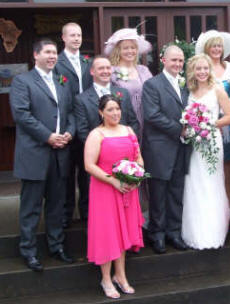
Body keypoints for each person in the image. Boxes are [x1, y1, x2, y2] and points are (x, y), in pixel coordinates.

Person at [9, 39, 75, 271]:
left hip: (60, 154)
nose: (52, 56)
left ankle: (56, 247)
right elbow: (22, 115)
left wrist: (68, 133)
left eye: (54, 53)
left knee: (56, 205)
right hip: (35, 153)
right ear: (35, 55)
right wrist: (48, 136)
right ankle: (28, 250)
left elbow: (70, 113)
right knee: (31, 206)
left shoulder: (62, 83)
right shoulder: (22, 81)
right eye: (47, 52)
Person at [84, 94, 144, 299]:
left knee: (123, 231)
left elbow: (138, 156)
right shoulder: (96, 134)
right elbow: (89, 165)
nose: (115, 113)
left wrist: (137, 175)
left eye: (117, 109)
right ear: (101, 112)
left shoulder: (129, 130)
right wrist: (113, 181)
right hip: (105, 189)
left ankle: (121, 275)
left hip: (127, 189)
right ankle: (106, 279)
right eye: (110, 109)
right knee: (108, 233)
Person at [181, 53, 230, 249]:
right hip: (194, 144)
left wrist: (209, 123)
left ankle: (214, 230)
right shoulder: (189, 91)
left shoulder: (217, 90)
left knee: (212, 182)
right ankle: (194, 230)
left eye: (205, 68)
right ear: (193, 71)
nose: (202, 72)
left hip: (212, 141)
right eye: (198, 68)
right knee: (194, 183)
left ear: (209, 70)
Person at [142, 45, 191, 254]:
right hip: (159, 149)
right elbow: (152, 115)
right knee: (158, 194)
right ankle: (157, 234)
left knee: (176, 193)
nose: (178, 64)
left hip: (181, 149)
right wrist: (179, 130)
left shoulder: (185, 84)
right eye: (174, 60)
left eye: (181, 61)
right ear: (163, 60)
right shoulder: (152, 85)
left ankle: (174, 232)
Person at [55, 22, 93, 228]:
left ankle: (87, 213)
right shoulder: (57, 62)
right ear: (64, 37)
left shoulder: (87, 61)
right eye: (72, 35)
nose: (76, 39)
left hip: (87, 124)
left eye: (78, 35)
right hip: (67, 125)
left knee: (87, 174)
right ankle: (66, 215)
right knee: (67, 174)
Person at [195, 30, 230, 210]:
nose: (216, 49)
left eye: (219, 45)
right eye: (213, 46)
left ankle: (228, 205)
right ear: (206, 48)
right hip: (207, 125)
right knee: (209, 166)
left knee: (227, 165)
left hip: (228, 122)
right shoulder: (202, 68)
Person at [74, 56, 139, 143]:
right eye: (101, 68)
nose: (105, 71)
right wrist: (103, 148)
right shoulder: (81, 99)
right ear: (92, 71)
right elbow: (83, 131)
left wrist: (127, 142)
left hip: (124, 146)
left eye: (108, 68)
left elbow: (133, 122)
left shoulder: (124, 93)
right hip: (98, 151)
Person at [105, 28, 153, 143]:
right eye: (125, 48)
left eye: (133, 48)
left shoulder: (144, 70)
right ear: (118, 50)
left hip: (146, 118)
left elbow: (154, 93)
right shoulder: (111, 71)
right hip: (124, 119)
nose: (130, 51)